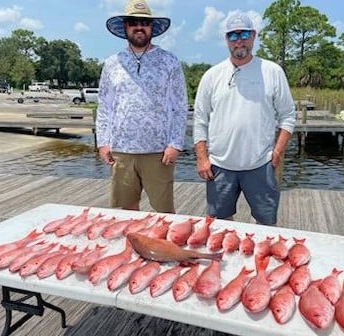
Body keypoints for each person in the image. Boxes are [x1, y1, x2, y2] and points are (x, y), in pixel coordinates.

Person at [193, 12, 296, 226]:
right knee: (219, 224)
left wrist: (276, 153)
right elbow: (200, 119)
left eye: (244, 34)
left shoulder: (272, 71)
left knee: (266, 223)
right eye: (232, 35)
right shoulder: (212, 75)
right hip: (220, 166)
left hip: (260, 164)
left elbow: (288, 116)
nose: (238, 40)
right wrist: (202, 158)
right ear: (226, 39)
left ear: (253, 35)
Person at [96, 0, 188, 213]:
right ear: (125, 27)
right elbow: (105, 106)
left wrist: (175, 143)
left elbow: (180, 106)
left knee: (164, 214)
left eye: (144, 23)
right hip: (121, 150)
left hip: (159, 151)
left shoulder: (169, 61)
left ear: (152, 28)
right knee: (127, 211)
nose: (139, 27)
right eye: (133, 22)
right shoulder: (112, 63)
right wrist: (103, 142)